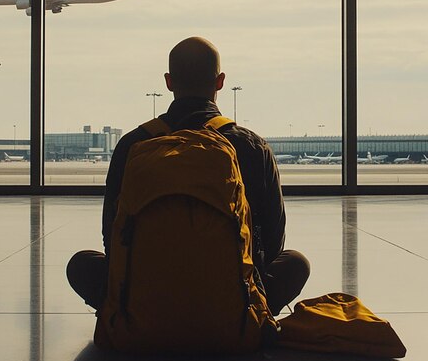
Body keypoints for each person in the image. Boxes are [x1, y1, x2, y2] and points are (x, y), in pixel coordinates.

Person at [67, 36, 310, 316]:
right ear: (220, 81)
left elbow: (112, 232)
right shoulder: (251, 146)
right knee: (296, 263)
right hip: (231, 304)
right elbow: (273, 239)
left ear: (169, 82)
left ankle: (132, 315)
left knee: (81, 264)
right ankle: (248, 317)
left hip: (146, 301)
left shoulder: (133, 144)